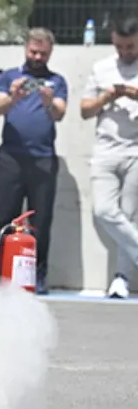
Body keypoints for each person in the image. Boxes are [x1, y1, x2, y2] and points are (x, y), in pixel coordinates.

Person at [0, 28, 67, 295]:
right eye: (33, 51)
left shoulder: (57, 81)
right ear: (25, 49)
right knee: (5, 217)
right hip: (11, 157)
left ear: (50, 53)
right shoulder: (10, 76)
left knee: (41, 220)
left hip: (43, 159)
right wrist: (14, 97)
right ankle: (0, 274)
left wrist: (47, 102)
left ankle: (38, 273)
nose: (37, 57)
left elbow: (59, 114)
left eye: (42, 53)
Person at [80, 15, 138, 299]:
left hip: (136, 151)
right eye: (120, 47)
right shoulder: (101, 68)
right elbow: (85, 110)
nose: (125, 53)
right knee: (104, 211)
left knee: (129, 215)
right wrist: (107, 97)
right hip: (105, 150)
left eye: (131, 47)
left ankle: (122, 278)